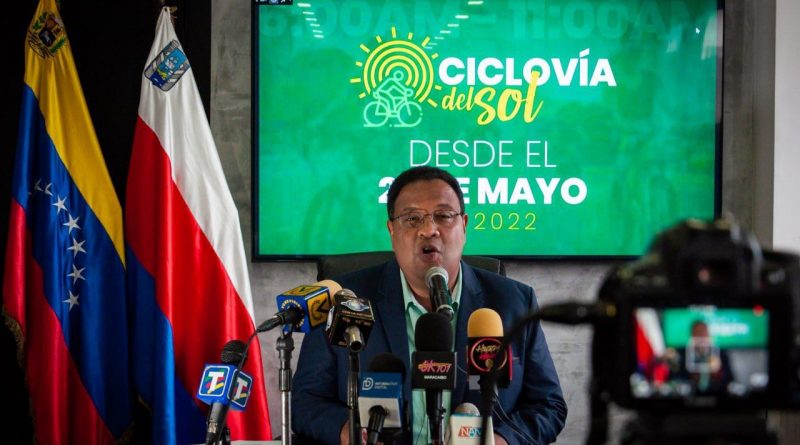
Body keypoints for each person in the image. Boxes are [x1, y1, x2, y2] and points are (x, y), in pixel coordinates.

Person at [292, 166, 567, 445]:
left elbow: (548, 405)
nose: (428, 230)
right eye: (412, 218)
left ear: (464, 225)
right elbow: (306, 402)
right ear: (391, 230)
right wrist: (349, 432)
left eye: (444, 216)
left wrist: (500, 441)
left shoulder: (514, 303)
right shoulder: (343, 300)